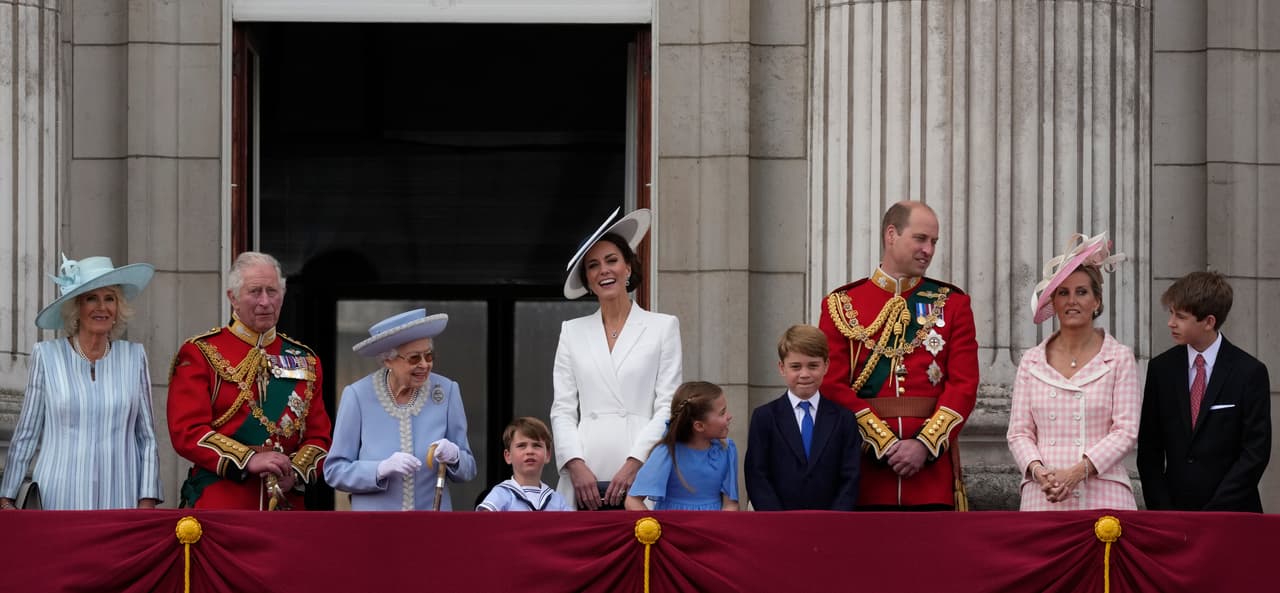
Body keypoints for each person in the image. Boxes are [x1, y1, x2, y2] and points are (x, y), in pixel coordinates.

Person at [818, 200, 979, 510]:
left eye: (933, 242)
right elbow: (831, 385)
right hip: (865, 475)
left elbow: (964, 385)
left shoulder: (952, 303)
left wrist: (924, 444)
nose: (929, 250)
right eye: (920, 238)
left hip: (930, 477)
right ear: (891, 234)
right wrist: (884, 443)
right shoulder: (841, 304)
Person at [167, 251, 332, 510]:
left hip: (286, 509)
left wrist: (295, 473)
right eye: (255, 292)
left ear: (283, 295)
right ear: (232, 297)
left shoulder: (306, 360)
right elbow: (187, 432)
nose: (265, 301)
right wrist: (247, 460)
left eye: (272, 291)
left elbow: (319, 438)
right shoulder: (201, 352)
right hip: (222, 503)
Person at [0, 255, 163, 510]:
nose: (102, 307)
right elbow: (27, 433)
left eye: (109, 298)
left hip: (121, 498)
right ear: (76, 307)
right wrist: (7, 497)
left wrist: (147, 499)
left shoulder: (134, 357)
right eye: (91, 298)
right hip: (59, 497)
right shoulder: (47, 356)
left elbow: (147, 438)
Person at [550, 208, 683, 510]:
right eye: (593, 266)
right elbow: (563, 409)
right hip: (585, 470)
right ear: (587, 279)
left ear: (628, 268)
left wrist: (636, 462)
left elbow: (668, 405)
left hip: (643, 467)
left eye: (612, 260)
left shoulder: (663, 326)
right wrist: (574, 464)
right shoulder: (572, 332)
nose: (604, 270)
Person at [1006, 232, 1139, 510]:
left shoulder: (1119, 357)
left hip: (1103, 495)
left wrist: (1077, 473)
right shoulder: (1031, 361)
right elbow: (1019, 432)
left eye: (1081, 292)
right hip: (1043, 494)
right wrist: (1039, 471)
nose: (1072, 301)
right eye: (1063, 293)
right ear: (1053, 303)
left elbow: (1125, 431)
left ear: (1097, 301)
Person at [1138, 271, 1271, 512]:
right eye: (1171, 313)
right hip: (1174, 515)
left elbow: (1255, 452)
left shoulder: (1250, 372)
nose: (1171, 323)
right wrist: (1164, 511)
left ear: (1209, 321)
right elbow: (1149, 450)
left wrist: (1214, 511)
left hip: (1233, 514)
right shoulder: (1160, 369)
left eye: (1180, 316)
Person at [325, 308, 477, 511]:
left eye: (429, 356)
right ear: (388, 360)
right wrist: (379, 469)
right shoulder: (357, 395)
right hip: (376, 526)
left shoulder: (447, 391)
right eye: (414, 358)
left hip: (430, 524)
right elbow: (335, 471)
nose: (424, 365)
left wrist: (456, 457)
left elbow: (469, 469)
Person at [745, 325, 861, 511]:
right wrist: (777, 520)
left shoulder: (843, 418)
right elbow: (757, 474)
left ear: (826, 366)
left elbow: (851, 475)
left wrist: (836, 519)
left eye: (813, 365)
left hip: (830, 523)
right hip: (779, 524)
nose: (805, 374)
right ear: (782, 368)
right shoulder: (764, 417)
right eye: (796, 367)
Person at [626, 381, 739, 511]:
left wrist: (718, 529)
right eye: (722, 413)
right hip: (673, 527)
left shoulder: (727, 449)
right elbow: (632, 500)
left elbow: (730, 504)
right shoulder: (666, 452)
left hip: (711, 526)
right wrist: (652, 527)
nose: (729, 416)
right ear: (699, 426)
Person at [476, 417, 571, 511]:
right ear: (508, 456)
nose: (530, 451)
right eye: (521, 446)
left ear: (548, 455)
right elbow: (484, 522)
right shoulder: (501, 493)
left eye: (536, 445)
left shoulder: (557, 500)